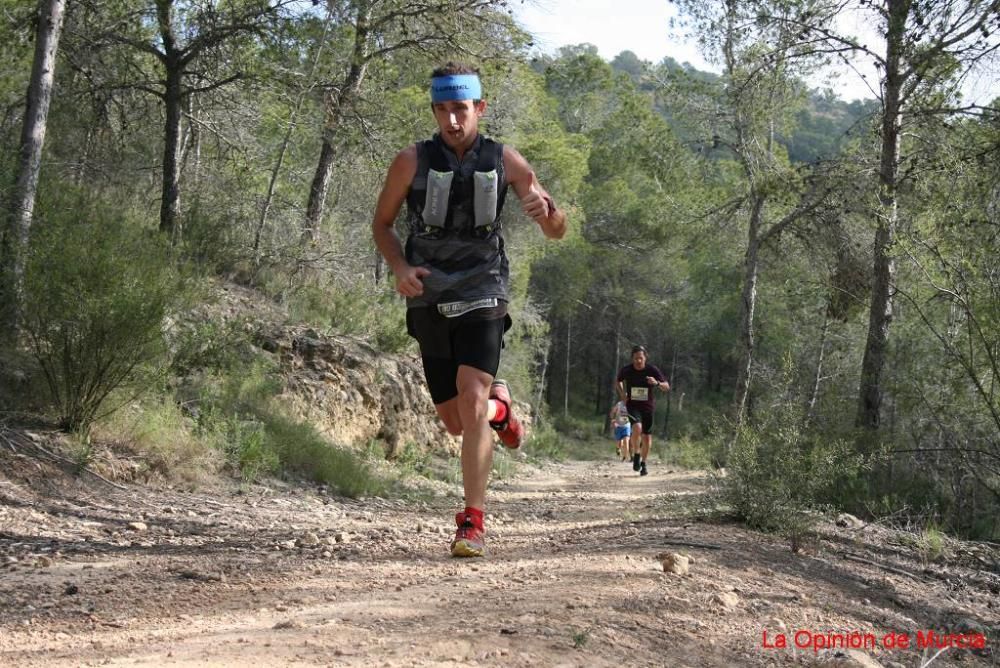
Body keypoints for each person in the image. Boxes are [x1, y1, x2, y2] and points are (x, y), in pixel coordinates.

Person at [372, 62, 567, 558]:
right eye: (442, 109)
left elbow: (556, 229)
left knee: (471, 399)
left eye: (460, 109)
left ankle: (472, 523)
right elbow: (383, 225)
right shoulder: (410, 161)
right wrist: (399, 267)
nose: (451, 120)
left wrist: (550, 214)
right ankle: (502, 410)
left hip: (484, 285)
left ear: (479, 107)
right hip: (429, 291)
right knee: (459, 421)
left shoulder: (506, 161)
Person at [615, 345, 670, 476]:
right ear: (632, 358)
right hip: (633, 406)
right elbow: (618, 381)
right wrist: (622, 394)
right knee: (637, 428)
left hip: (648, 407)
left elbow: (666, 387)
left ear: (645, 358)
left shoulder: (652, 370)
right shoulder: (627, 370)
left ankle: (644, 463)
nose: (638, 361)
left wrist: (656, 383)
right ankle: (636, 455)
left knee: (646, 437)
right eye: (635, 359)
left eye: (640, 358)